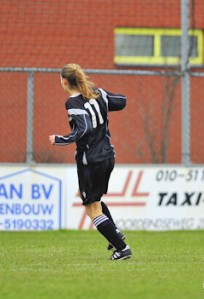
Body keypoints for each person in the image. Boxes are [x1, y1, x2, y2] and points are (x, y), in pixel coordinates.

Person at [48, 63, 131, 260]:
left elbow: (83, 129)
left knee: (91, 208)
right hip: (108, 155)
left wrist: (60, 139)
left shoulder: (72, 103)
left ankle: (122, 248)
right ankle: (115, 235)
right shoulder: (97, 92)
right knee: (96, 200)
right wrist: (101, 100)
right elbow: (121, 101)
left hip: (90, 160)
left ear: (65, 81)